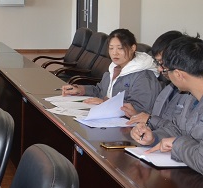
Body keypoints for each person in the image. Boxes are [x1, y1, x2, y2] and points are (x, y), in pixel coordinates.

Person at [130, 36, 203, 174]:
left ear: (178, 74)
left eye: (167, 70)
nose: (164, 73)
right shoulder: (191, 96)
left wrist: (177, 144)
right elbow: (178, 129)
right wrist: (154, 137)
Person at [62, 28, 161, 113]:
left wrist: (105, 103)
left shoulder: (144, 76)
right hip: (107, 115)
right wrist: (79, 90)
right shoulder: (114, 67)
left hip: (128, 124)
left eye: (120, 48)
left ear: (133, 48)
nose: (114, 53)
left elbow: (140, 109)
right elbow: (100, 91)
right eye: (111, 48)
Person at [123, 31, 191, 130]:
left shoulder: (192, 93)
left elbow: (180, 131)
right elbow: (160, 120)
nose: (159, 69)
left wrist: (150, 120)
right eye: (158, 63)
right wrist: (138, 116)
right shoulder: (169, 87)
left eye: (162, 63)